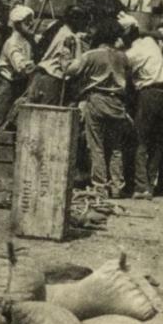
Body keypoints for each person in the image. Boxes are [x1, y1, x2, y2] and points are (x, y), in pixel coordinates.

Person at [65, 20, 131, 197]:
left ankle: (100, 186)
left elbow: (71, 70)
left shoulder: (92, 55)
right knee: (116, 147)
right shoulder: (123, 57)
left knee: (97, 146)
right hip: (118, 103)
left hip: (97, 100)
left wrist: (76, 48)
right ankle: (117, 185)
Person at [119, 12, 163, 200]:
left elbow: (124, 77)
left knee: (139, 140)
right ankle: (150, 182)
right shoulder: (150, 42)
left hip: (148, 94)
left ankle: (141, 186)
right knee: (157, 142)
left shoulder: (132, 54)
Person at [0, 4, 38, 133]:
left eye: (31, 20)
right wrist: (39, 67)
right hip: (8, 86)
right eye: (27, 22)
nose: (31, 24)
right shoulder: (12, 43)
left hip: (20, 85)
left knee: (14, 123)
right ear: (17, 24)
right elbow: (21, 66)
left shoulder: (27, 41)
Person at [24, 14, 80, 105]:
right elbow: (66, 66)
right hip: (52, 78)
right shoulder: (70, 37)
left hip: (39, 74)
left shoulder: (57, 29)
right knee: (46, 113)